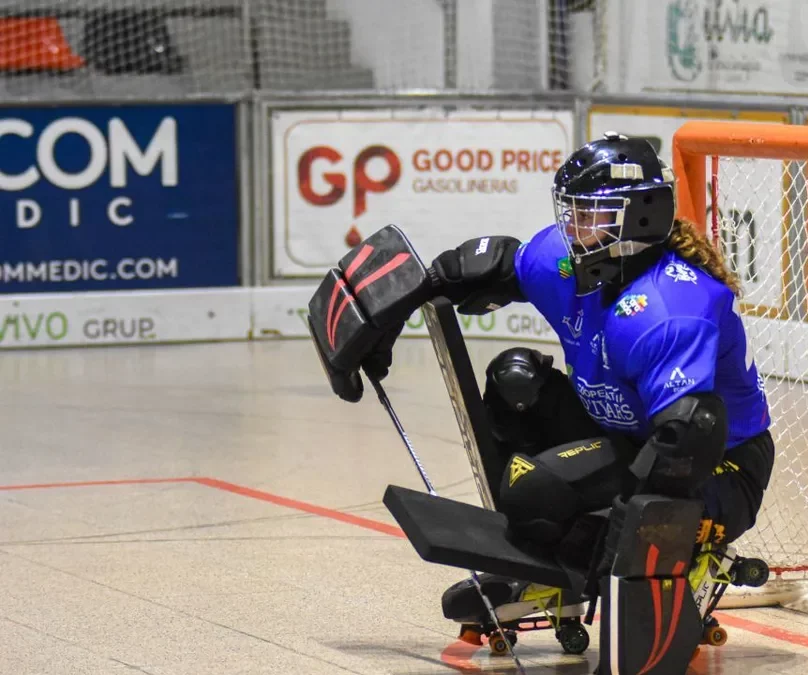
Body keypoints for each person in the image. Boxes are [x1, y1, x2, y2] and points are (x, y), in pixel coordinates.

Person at [316, 131, 775, 636]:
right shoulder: (570, 259)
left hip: (717, 469)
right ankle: (550, 550)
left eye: (589, 215)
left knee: (537, 494)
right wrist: (390, 315)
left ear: (640, 217)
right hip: (631, 431)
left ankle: (660, 565)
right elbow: (480, 270)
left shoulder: (667, 310)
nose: (572, 228)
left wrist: (626, 555)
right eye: (570, 211)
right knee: (514, 380)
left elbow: (688, 438)